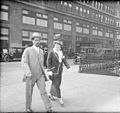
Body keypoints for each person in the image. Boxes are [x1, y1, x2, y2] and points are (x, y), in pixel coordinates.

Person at [21, 32, 53, 112]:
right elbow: (24, 62)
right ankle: (28, 108)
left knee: (43, 92)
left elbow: (43, 64)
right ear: (32, 41)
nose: (37, 41)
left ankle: (49, 108)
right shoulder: (27, 50)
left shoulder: (42, 51)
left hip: (40, 76)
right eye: (36, 40)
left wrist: (48, 70)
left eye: (39, 40)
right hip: (30, 76)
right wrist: (28, 72)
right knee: (29, 93)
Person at [47, 34, 71, 105]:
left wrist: (68, 67)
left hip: (60, 71)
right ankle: (59, 98)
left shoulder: (61, 52)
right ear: (54, 45)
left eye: (59, 45)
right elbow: (48, 63)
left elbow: (64, 60)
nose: (58, 46)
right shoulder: (51, 52)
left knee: (56, 84)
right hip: (53, 71)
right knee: (56, 85)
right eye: (57, 45)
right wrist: (49, 72)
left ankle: (51, 95)